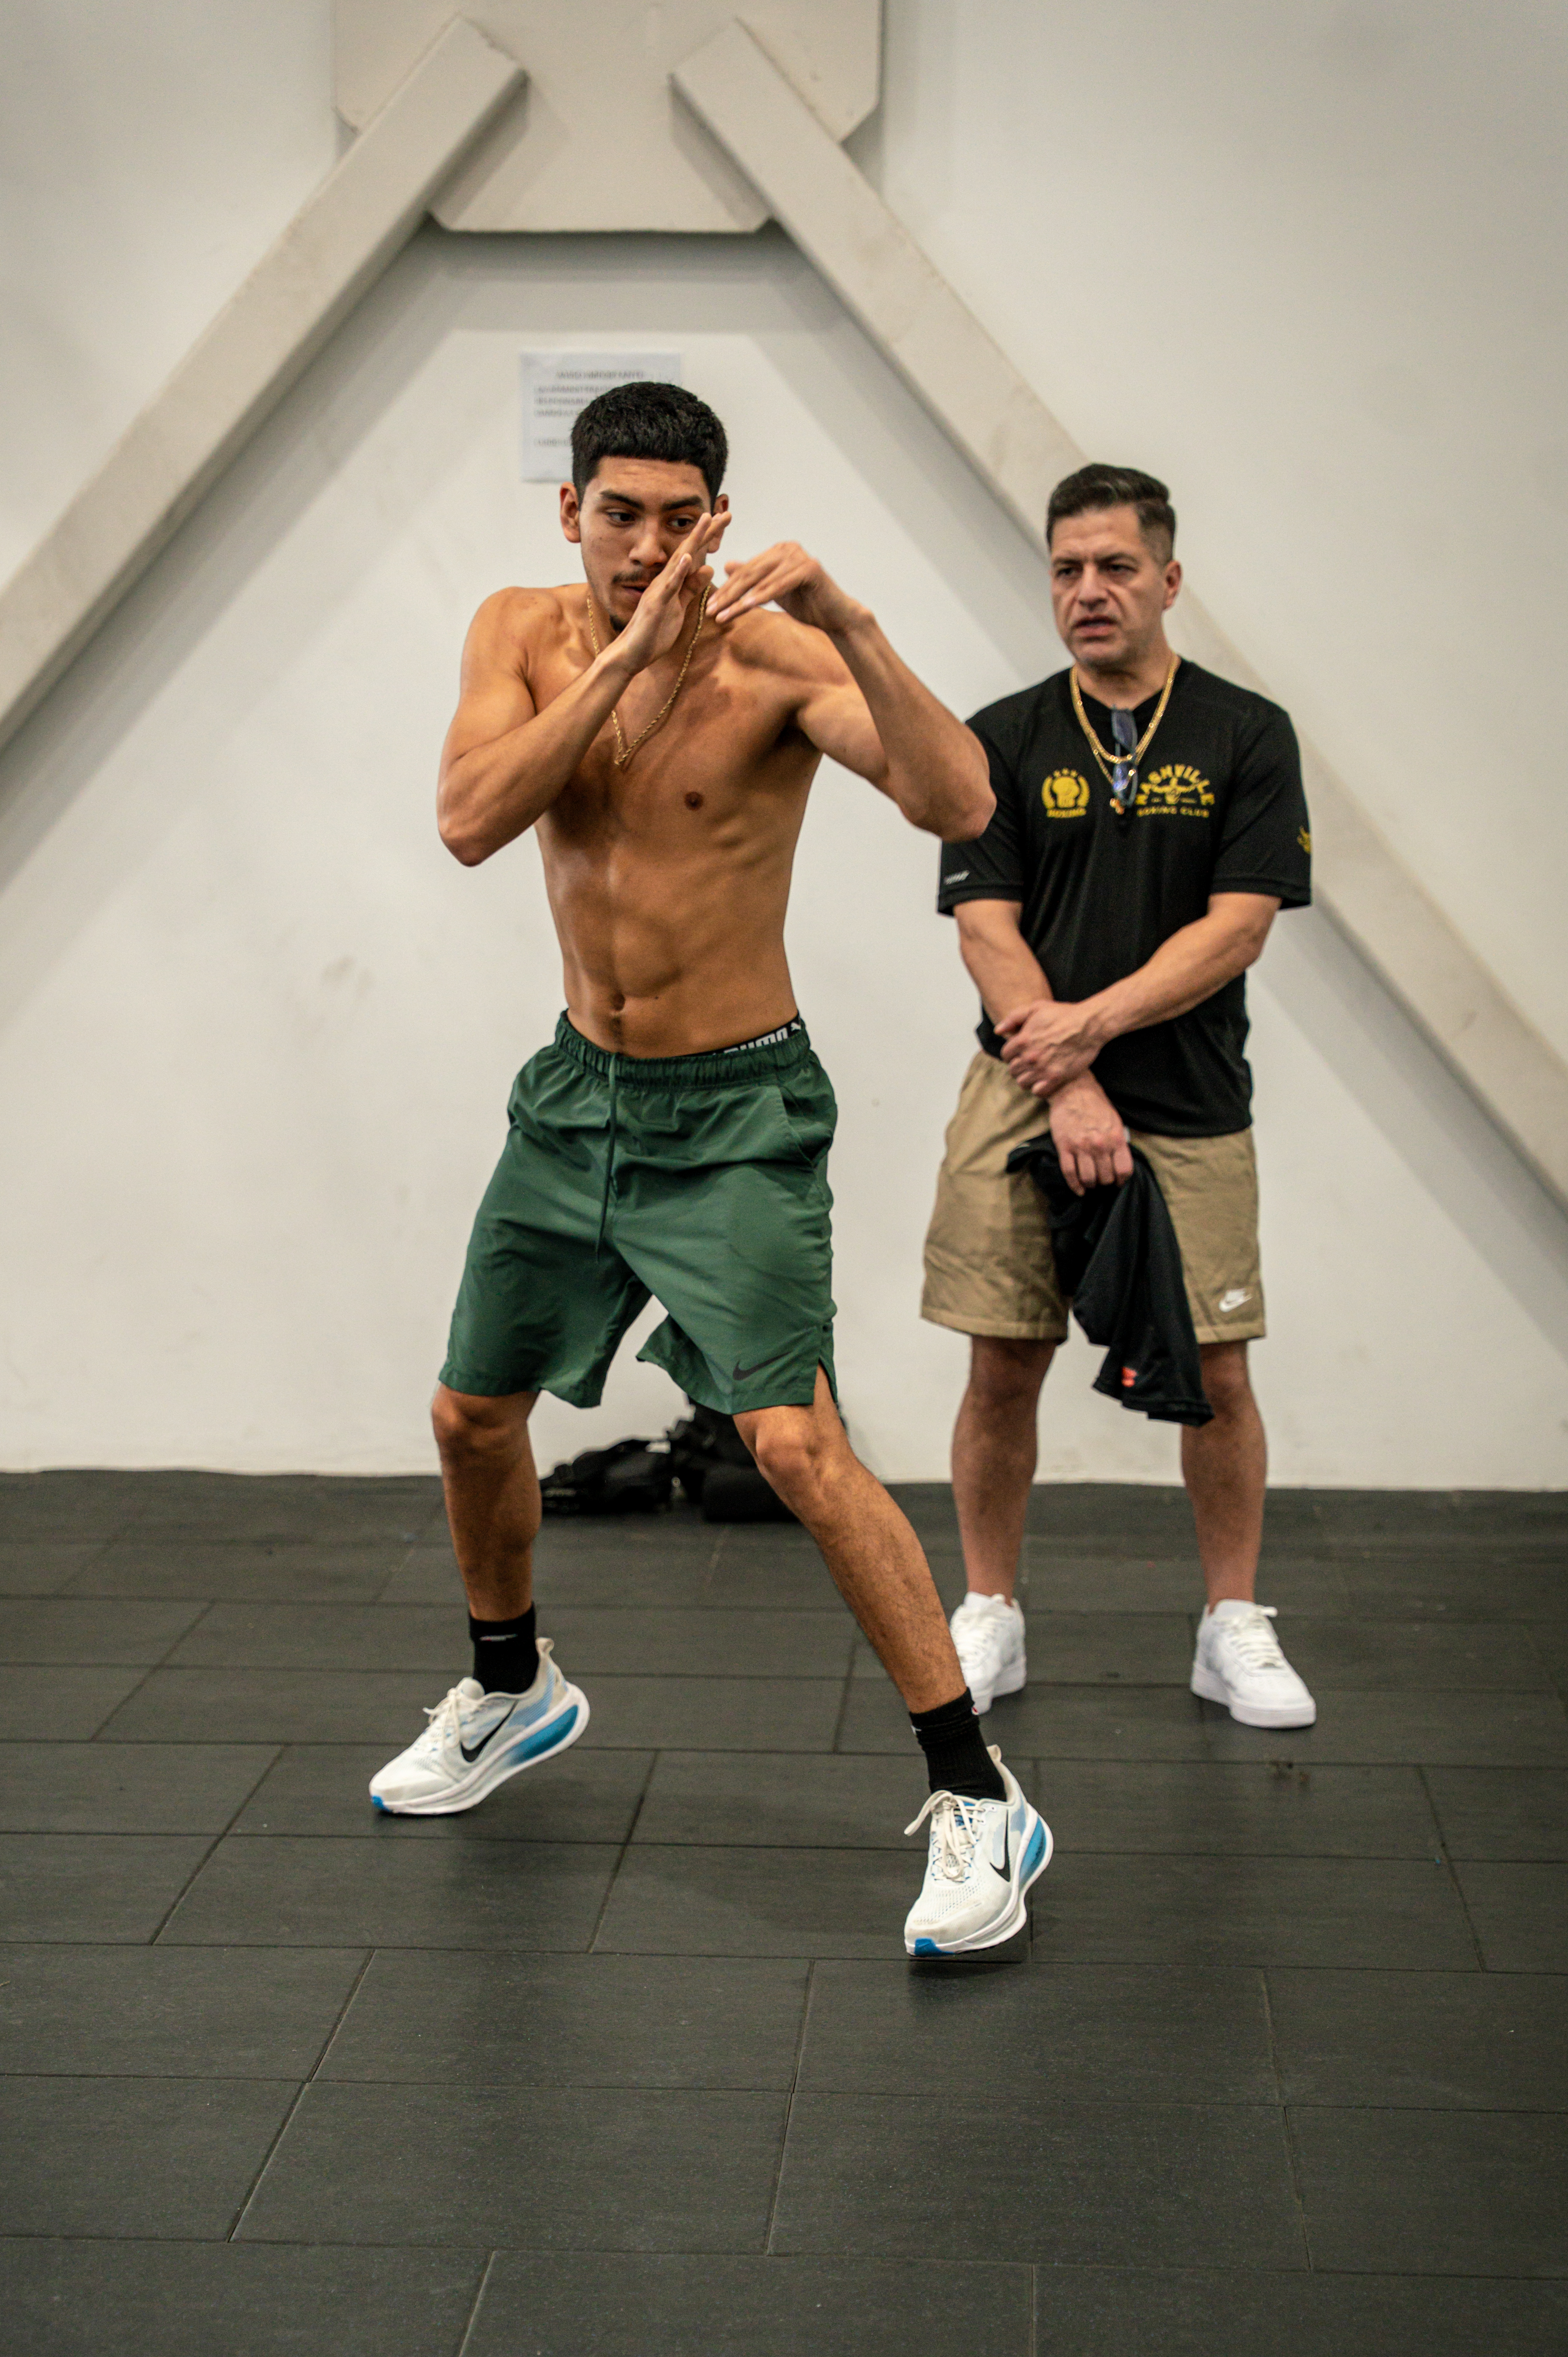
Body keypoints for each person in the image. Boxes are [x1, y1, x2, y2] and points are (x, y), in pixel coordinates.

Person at [368, 381, 1054, 1958]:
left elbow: (963, 802)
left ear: (717, 522)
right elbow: (472, 820)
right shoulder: (518, 632)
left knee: (796, 1446)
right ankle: (508, 1689)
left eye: (680, 519)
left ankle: (977, 1795)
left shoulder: (775, 661)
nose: (647, 545)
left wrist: (860, 626)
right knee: (471, 1413)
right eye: (620, 513)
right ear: (571, 512)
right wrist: (619, 656)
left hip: (736, 1114)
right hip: (574, 1101)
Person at [922, 462, 1317, 1730]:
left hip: (1190, 1099)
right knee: (1002, 1363)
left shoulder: (1246, 732)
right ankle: (990, 1613)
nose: (1088, 592)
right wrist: (1071, 1077)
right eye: (1066, 570)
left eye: (1115, 567)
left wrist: (1090, 1034)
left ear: (1168, 579)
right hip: (1023, 1093)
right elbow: (985, 928)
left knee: (1221, 1368)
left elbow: (1240, 927)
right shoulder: (998, 736)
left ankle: (1231, 1622)